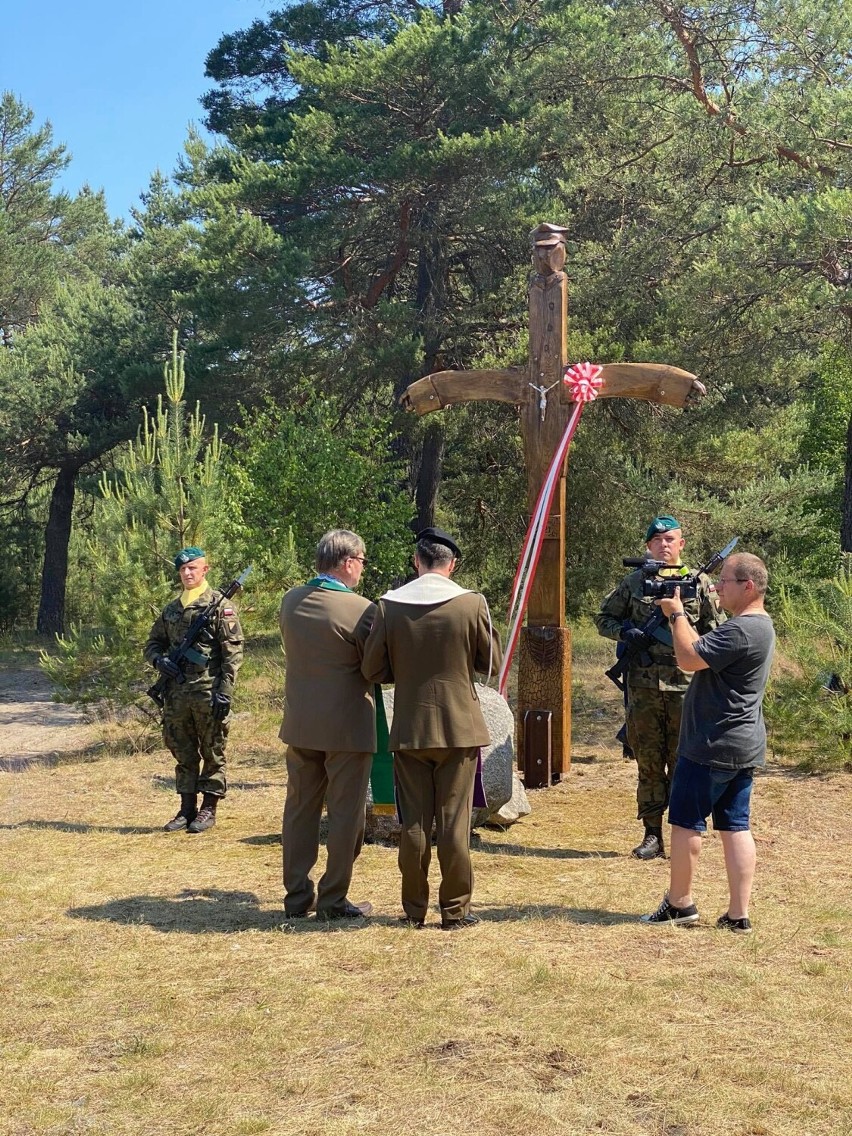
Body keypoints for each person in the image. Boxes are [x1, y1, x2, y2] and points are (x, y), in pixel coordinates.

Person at [362, 527, 502, 930]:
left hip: (410, 727)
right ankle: (455, 911)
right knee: (454, 823)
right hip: (459, 728)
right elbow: (488, 661)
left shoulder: (389, 606)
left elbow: (373, 668)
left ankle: (413, 911)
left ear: (416, 562)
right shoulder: (471, 603)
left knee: (415, 823)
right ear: (451, 564)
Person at [641, 553, 775, 932]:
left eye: (726, 581)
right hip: (742, 744)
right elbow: (703, 651)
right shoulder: (759, 627)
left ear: (748, 586)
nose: (717, 587)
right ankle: (738, 914)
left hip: (710, 744)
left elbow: (688, 658)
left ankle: (680, 904)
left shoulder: (740, 630)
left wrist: (676, 613)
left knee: (685, 824)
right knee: (735, 826)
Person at [595, 516, 725, 860]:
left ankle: (683, 831)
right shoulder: (635, 582)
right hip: (643, 686)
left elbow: (719, 630)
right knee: (649, 760)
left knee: (685, 761)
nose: (664, 545)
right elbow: (603, 619)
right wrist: (627, 633)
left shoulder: (700, 582)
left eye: (670, 539)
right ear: (648, 546)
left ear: (681, 544)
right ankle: (652, 834)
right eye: (657, 541)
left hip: (687, 687)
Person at [278, 530, 376, 921]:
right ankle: (334, 898)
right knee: (345, 814)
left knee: (299, 810)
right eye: (363, 562)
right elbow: (376, 666)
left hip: (301, 722)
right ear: (349, 562)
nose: (363, 570)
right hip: (347, 727)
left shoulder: (290, 600)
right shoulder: (361, 610)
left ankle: (297, 896)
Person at [144, 547, 244, 833]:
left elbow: (232, 653)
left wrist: (225, 690)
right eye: (183, 569)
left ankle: (208, 809)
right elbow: (152, 644)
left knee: (213, 749)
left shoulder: (219, 606)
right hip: (176, 695)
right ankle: (186, 809)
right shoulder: (171, 610)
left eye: (193, 568)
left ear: (205, 570)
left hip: (208, 692)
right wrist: (159, 661)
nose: (188, 573)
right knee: (182, 750)